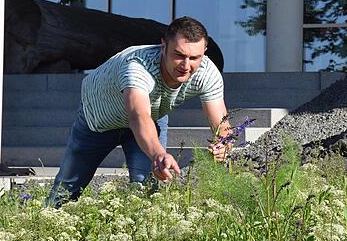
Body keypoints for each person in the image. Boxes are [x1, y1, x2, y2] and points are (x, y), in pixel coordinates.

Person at [47, 16, 231, 206]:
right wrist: (158, 154)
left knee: (147, 191)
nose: (186, 65)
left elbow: (221, 123)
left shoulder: (207, 73)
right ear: (163, 46)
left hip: (150, 118)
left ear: (204, 52)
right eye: (179, 55)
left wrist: (224, 144)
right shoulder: (138, 66)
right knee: (66, 190)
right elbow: (137, 116)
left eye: (194, 58)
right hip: (99, 119)